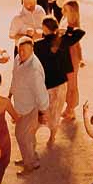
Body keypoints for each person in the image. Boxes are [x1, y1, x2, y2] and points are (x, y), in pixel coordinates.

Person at [34, 16, 83, 147]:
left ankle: (33, 136)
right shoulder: (62, 41)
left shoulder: (38, 45)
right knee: (56, 112)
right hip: (60, 83)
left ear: (44, 28)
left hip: (44, 84)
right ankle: (52, 138)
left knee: (40, 111)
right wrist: (67, 30)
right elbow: (80, 33)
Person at [9, 35, 49, 173]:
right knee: (28, 136)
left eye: (24, 50)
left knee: (21, 135)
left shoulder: (34, 70)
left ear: (32, 50)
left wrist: (43, 112)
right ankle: (31, 158)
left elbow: (41, 93)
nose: (21, 53)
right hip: (20, 104)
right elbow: (15, 77)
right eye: (19, 50)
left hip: (30, 108)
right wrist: (10, 93)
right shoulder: (17, 59)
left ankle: (29, 165)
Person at [61, 0, 87, 117]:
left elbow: (77, 45)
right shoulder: (64, 20)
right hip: (65, 55)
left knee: (72, 84)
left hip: (71, 56)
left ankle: (71, 109)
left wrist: (80, 59)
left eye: (66, 10)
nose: (63, 11)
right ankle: (69, 107)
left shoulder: (73, 26)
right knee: (67, 83)